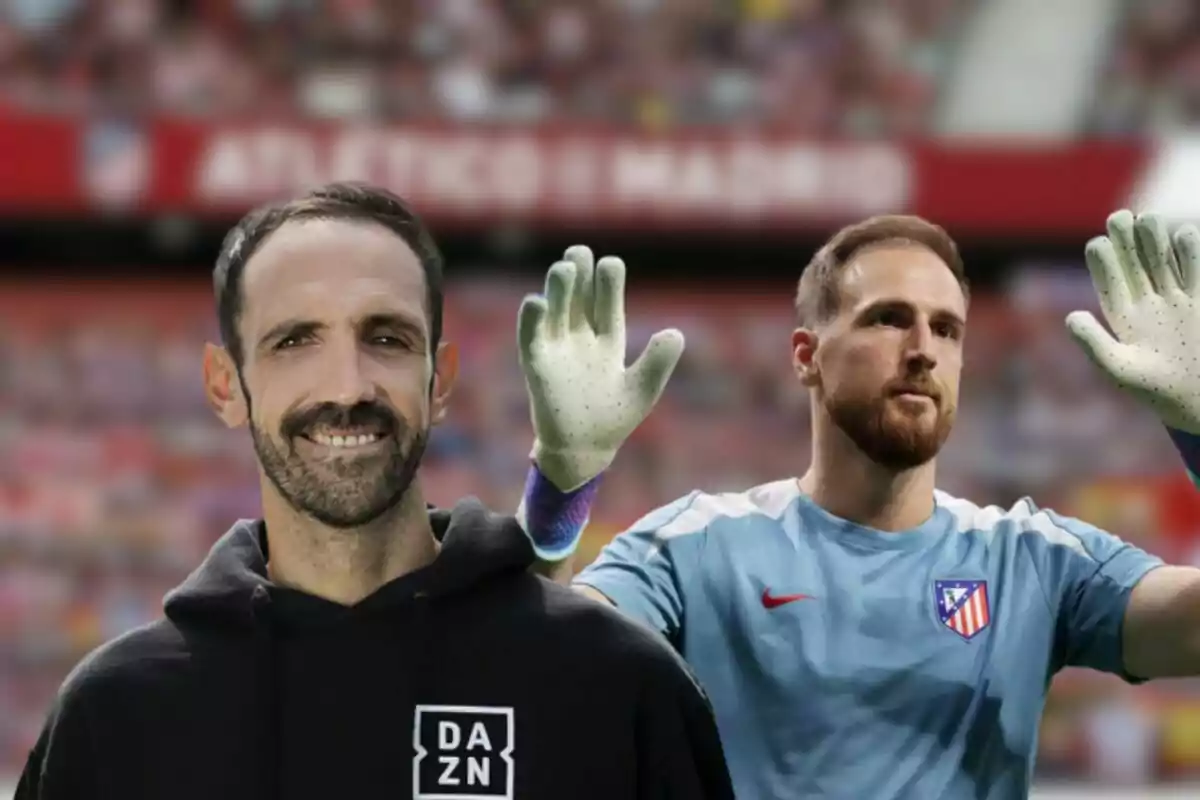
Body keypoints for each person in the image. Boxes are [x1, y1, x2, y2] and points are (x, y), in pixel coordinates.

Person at [16, 182, 735, 800]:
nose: (347, 387)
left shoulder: (619, 686)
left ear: (441, 379)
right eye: (295, 340)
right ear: (224, 384)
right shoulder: (117, 712)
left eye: (386, 338)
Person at [514, 211, 1200, 799]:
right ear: (807, 355)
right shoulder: (693, 548)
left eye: (947, 329)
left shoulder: (1038, 562)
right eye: (888, 319)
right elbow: (537, 669)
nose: (923, 350)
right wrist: (564, 482)